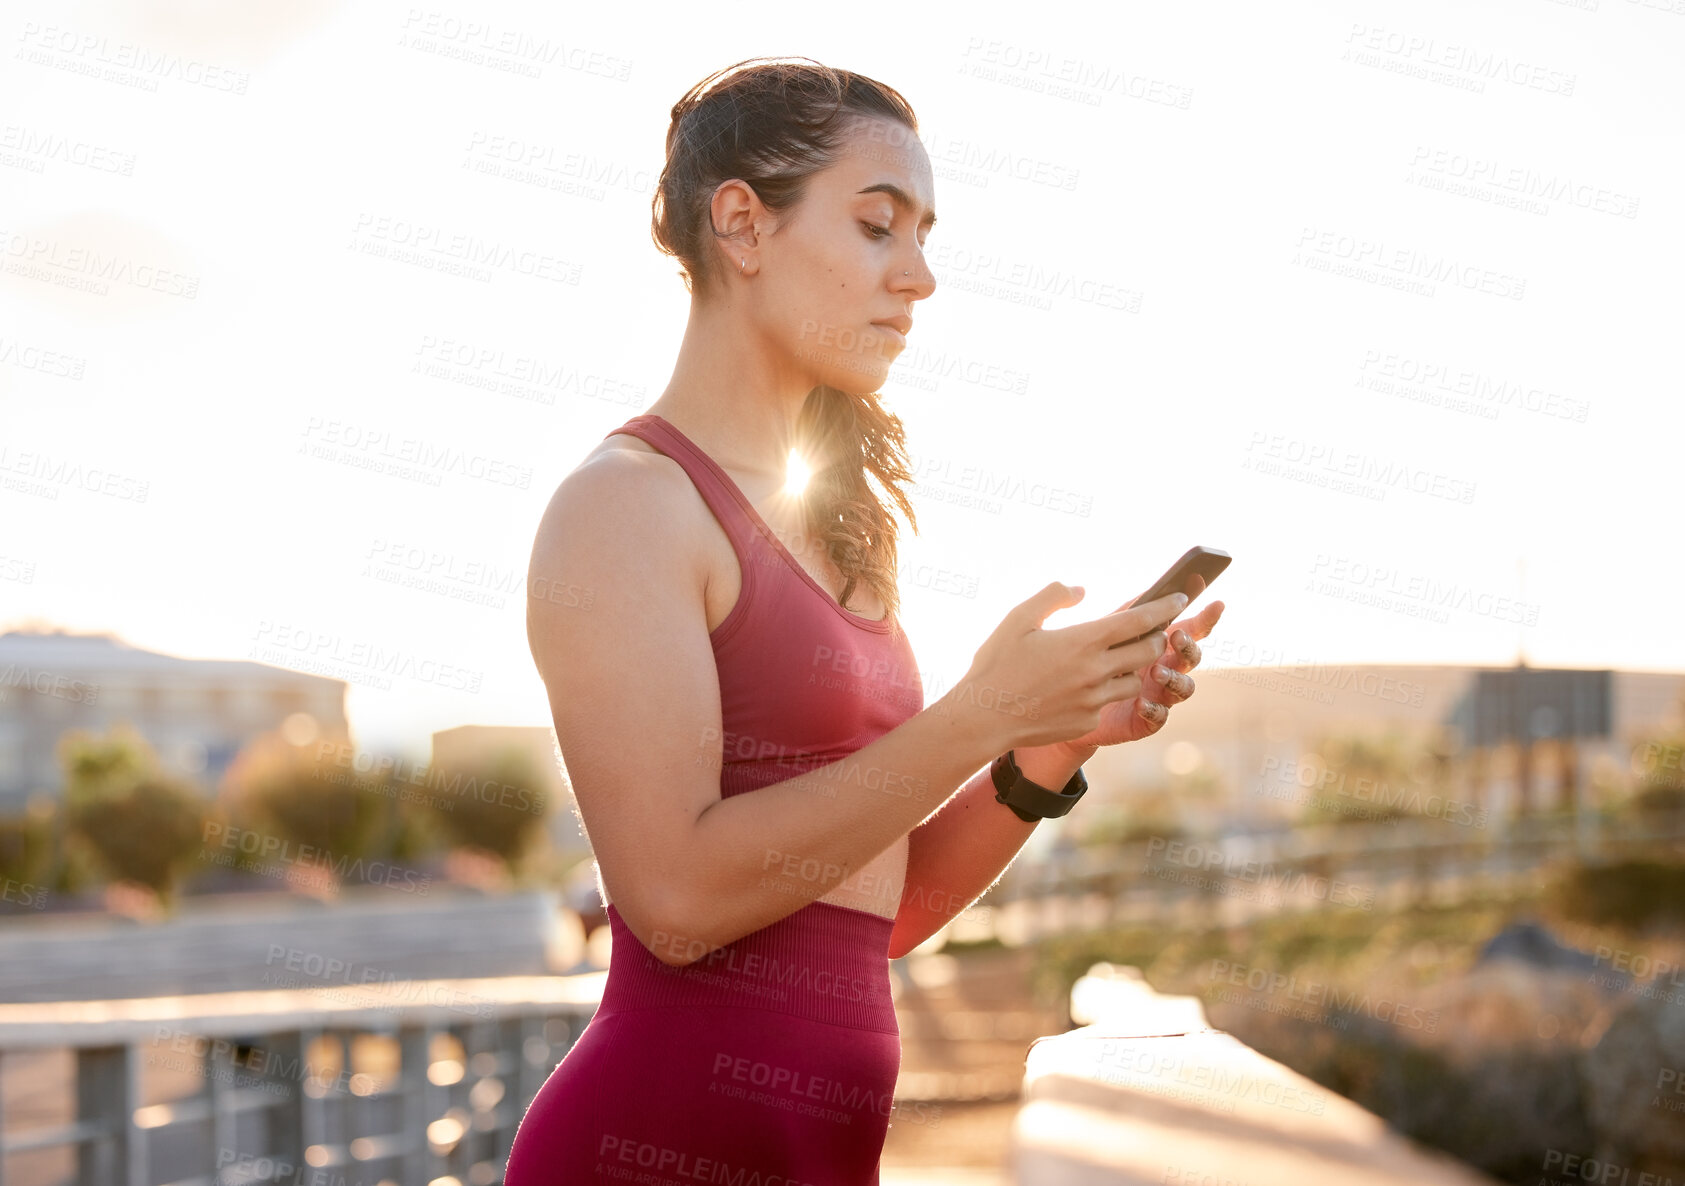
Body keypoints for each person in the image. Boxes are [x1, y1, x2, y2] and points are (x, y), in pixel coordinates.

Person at [503, 55, 1224, 1185]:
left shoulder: (846, 535)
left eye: (926, 234)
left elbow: (863, 923)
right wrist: (983, 710)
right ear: (740, 224)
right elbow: (682, 902)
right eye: (879, 226)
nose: (921, 276)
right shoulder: (625, 508)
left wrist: (1045, 748)